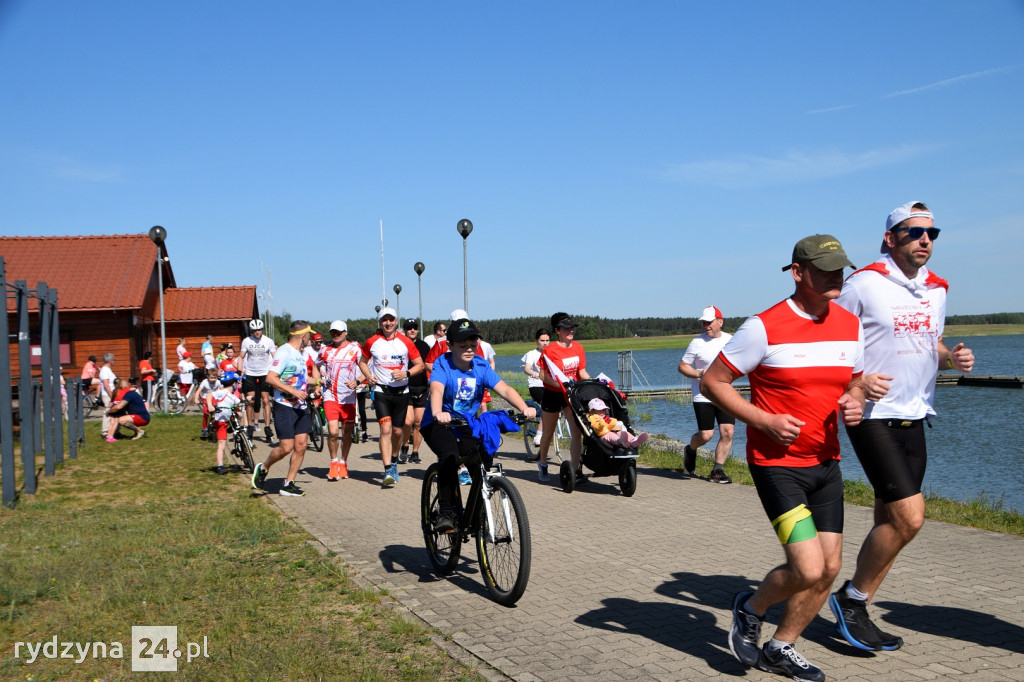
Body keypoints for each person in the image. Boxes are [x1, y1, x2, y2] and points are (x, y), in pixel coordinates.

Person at [702, 234, 865, 682]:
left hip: (827, 462)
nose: (837, 275)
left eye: (840, 268)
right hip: (778, 467)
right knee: (808, 567)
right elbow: (712, 383)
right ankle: (751, 608)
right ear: (798, 272)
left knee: (829, 569)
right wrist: (764, 420)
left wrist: (855, 397)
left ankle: (781, 646)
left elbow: (855, 381)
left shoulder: (850, 324)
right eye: (826, 268)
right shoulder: (764, 326)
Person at [829, 201, 975, 652]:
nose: (924, 240)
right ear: (890, 238)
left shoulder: (937, 290)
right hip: (872, 416)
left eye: (932, 233)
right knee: (910, 518)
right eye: (913, 232)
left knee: (888, 521)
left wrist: (951, 356)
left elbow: (929, 341)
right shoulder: (863, 285)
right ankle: (850, 600)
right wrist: (857, 381)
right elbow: (831, 340)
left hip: (917, 414)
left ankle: (859, 611)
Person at [420, 318, 536, 533]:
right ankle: (446, 512)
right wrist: (437, 412)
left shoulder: (481, 366)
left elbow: (505, 389)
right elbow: (436, 389)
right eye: (462, 345)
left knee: (479, 461)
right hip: (437, 423)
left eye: (473, 345)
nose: (469, 350)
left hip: (465, 422)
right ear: (450, 346)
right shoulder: (443, 364)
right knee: (450, 456)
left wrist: (524, 408)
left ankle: (476, 514)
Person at [251, 320, 320, 497]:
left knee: (301, 446)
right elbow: (271, 378)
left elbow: (301, 380)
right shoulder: (284, 351)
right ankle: (264, 467)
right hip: (285, 406)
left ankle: (288, 483)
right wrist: (294, 392)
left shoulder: (299, 354)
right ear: (303, 336)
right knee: (286, 447)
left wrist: (319, 382)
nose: (311, 338)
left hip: (301, 407)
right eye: (309, 335)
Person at [359, 308, 424, 486]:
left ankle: (394, 460)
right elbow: (362, 362)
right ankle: (387, 469)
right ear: (380, 322)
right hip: (381, 391)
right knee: (385, 429)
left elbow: (420, 365)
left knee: (397, 431)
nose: (388, 323)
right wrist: (368, 376)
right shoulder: (372, 341)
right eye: (384, 320)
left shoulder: (405, 341)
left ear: (396, 321)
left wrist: (406, 374)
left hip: (402, 392)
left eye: (391, 320)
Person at [678, 305, 736, 484]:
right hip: (703, 395)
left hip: (725, 393)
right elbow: (682, 366)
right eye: (704, 322)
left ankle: (717, 471)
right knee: (706, 435)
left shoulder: (731, 340)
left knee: (728, 432)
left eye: (709, 322)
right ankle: (691, 449)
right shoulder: (697, 342)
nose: (706, 326)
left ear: (720, 322)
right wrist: (698, 374)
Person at [537, 312, 590, 483]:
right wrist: (559, 384)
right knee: (548, 432)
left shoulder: (578, 348)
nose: (571, 331)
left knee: (576, 432)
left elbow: (581, 372)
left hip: (571, 394)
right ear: (558, 330)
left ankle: (575, 471)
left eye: (572, 327)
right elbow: (542, 375)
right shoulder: (550, 350)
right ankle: (543, 463)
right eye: (567, 328)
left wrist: (594, 382)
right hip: (553, 394)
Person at [321, 320, 369, 481]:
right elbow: (315, 366)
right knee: (333, 431)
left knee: (346, 433)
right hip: (331, 396)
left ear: (345, 333)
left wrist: (358, 381)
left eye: (339, 332)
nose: (335, 335)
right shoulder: (325, 350)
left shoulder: (355, 349)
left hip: (348, 396)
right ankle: (333, 462)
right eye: (333, 332)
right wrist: (318, 380)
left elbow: (367, 368)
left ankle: (343, 463)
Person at [240, 319, 277, 442]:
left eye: (259, 329)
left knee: (266, 400)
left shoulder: (268, 341)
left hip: (264, 373)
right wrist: (240, 369)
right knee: (251, 401)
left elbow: (275, 357)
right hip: (250, 373)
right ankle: (250, 426)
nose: (257, 332)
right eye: (255, 330)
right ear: (252, 331)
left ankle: (267, 427)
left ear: (262, 330)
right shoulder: (246, 341)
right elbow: (241, 356)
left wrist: (276, 371)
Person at [399, 318, 430, 465]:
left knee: (418, 423)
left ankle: (415, 452)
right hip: (406, 388)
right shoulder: (400, 346)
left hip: (422, 388)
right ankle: (404, 445)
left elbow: (429, 364)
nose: (412, 330)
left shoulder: (424, 346)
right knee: (407, 421)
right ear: (404, 330)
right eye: (409, 328)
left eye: (414, 328)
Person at [521, 328, 551, 456]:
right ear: (536, 341)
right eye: (542, 340)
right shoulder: (532, 354)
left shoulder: (552, 352)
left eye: (547, 340)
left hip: (550, 385)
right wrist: (534, 373)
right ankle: (539, 435)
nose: (545, 343)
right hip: (536, 385)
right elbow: (527, 369)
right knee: (546, 404)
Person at [207, 372, 241, 474]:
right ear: (234, 384)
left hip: (227, 419)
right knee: (221, 445)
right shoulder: (221, 392)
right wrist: (210, 405)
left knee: (238, 415)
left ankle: (234, 429)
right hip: (221, 421)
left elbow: (238, 404)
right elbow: (209, 395)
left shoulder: (233, 396)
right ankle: (220, 466)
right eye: (237, 383)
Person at [195, 367, 223, 440]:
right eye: (211, 378)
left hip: (214, 398)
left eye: (214, 378)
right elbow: (198, 391)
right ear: (208, 377)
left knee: (217, 411)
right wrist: (196, 399)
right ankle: (204, 429)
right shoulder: (204, 382)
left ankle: (217, 427)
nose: (213, 380)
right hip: (205, 398)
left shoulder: (218, 382)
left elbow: (223, 390)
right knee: (206, 413)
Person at [98, 353, 118, 442]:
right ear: (110, 361)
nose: (114, 361)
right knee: (108, 412)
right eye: (113, 360)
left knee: (113, 413)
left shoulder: (107, 370)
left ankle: (114, 430)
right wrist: (112, 396)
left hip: (111, 394)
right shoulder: (105, 370)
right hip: (108, 395)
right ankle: (105, 432)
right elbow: (106, 385)